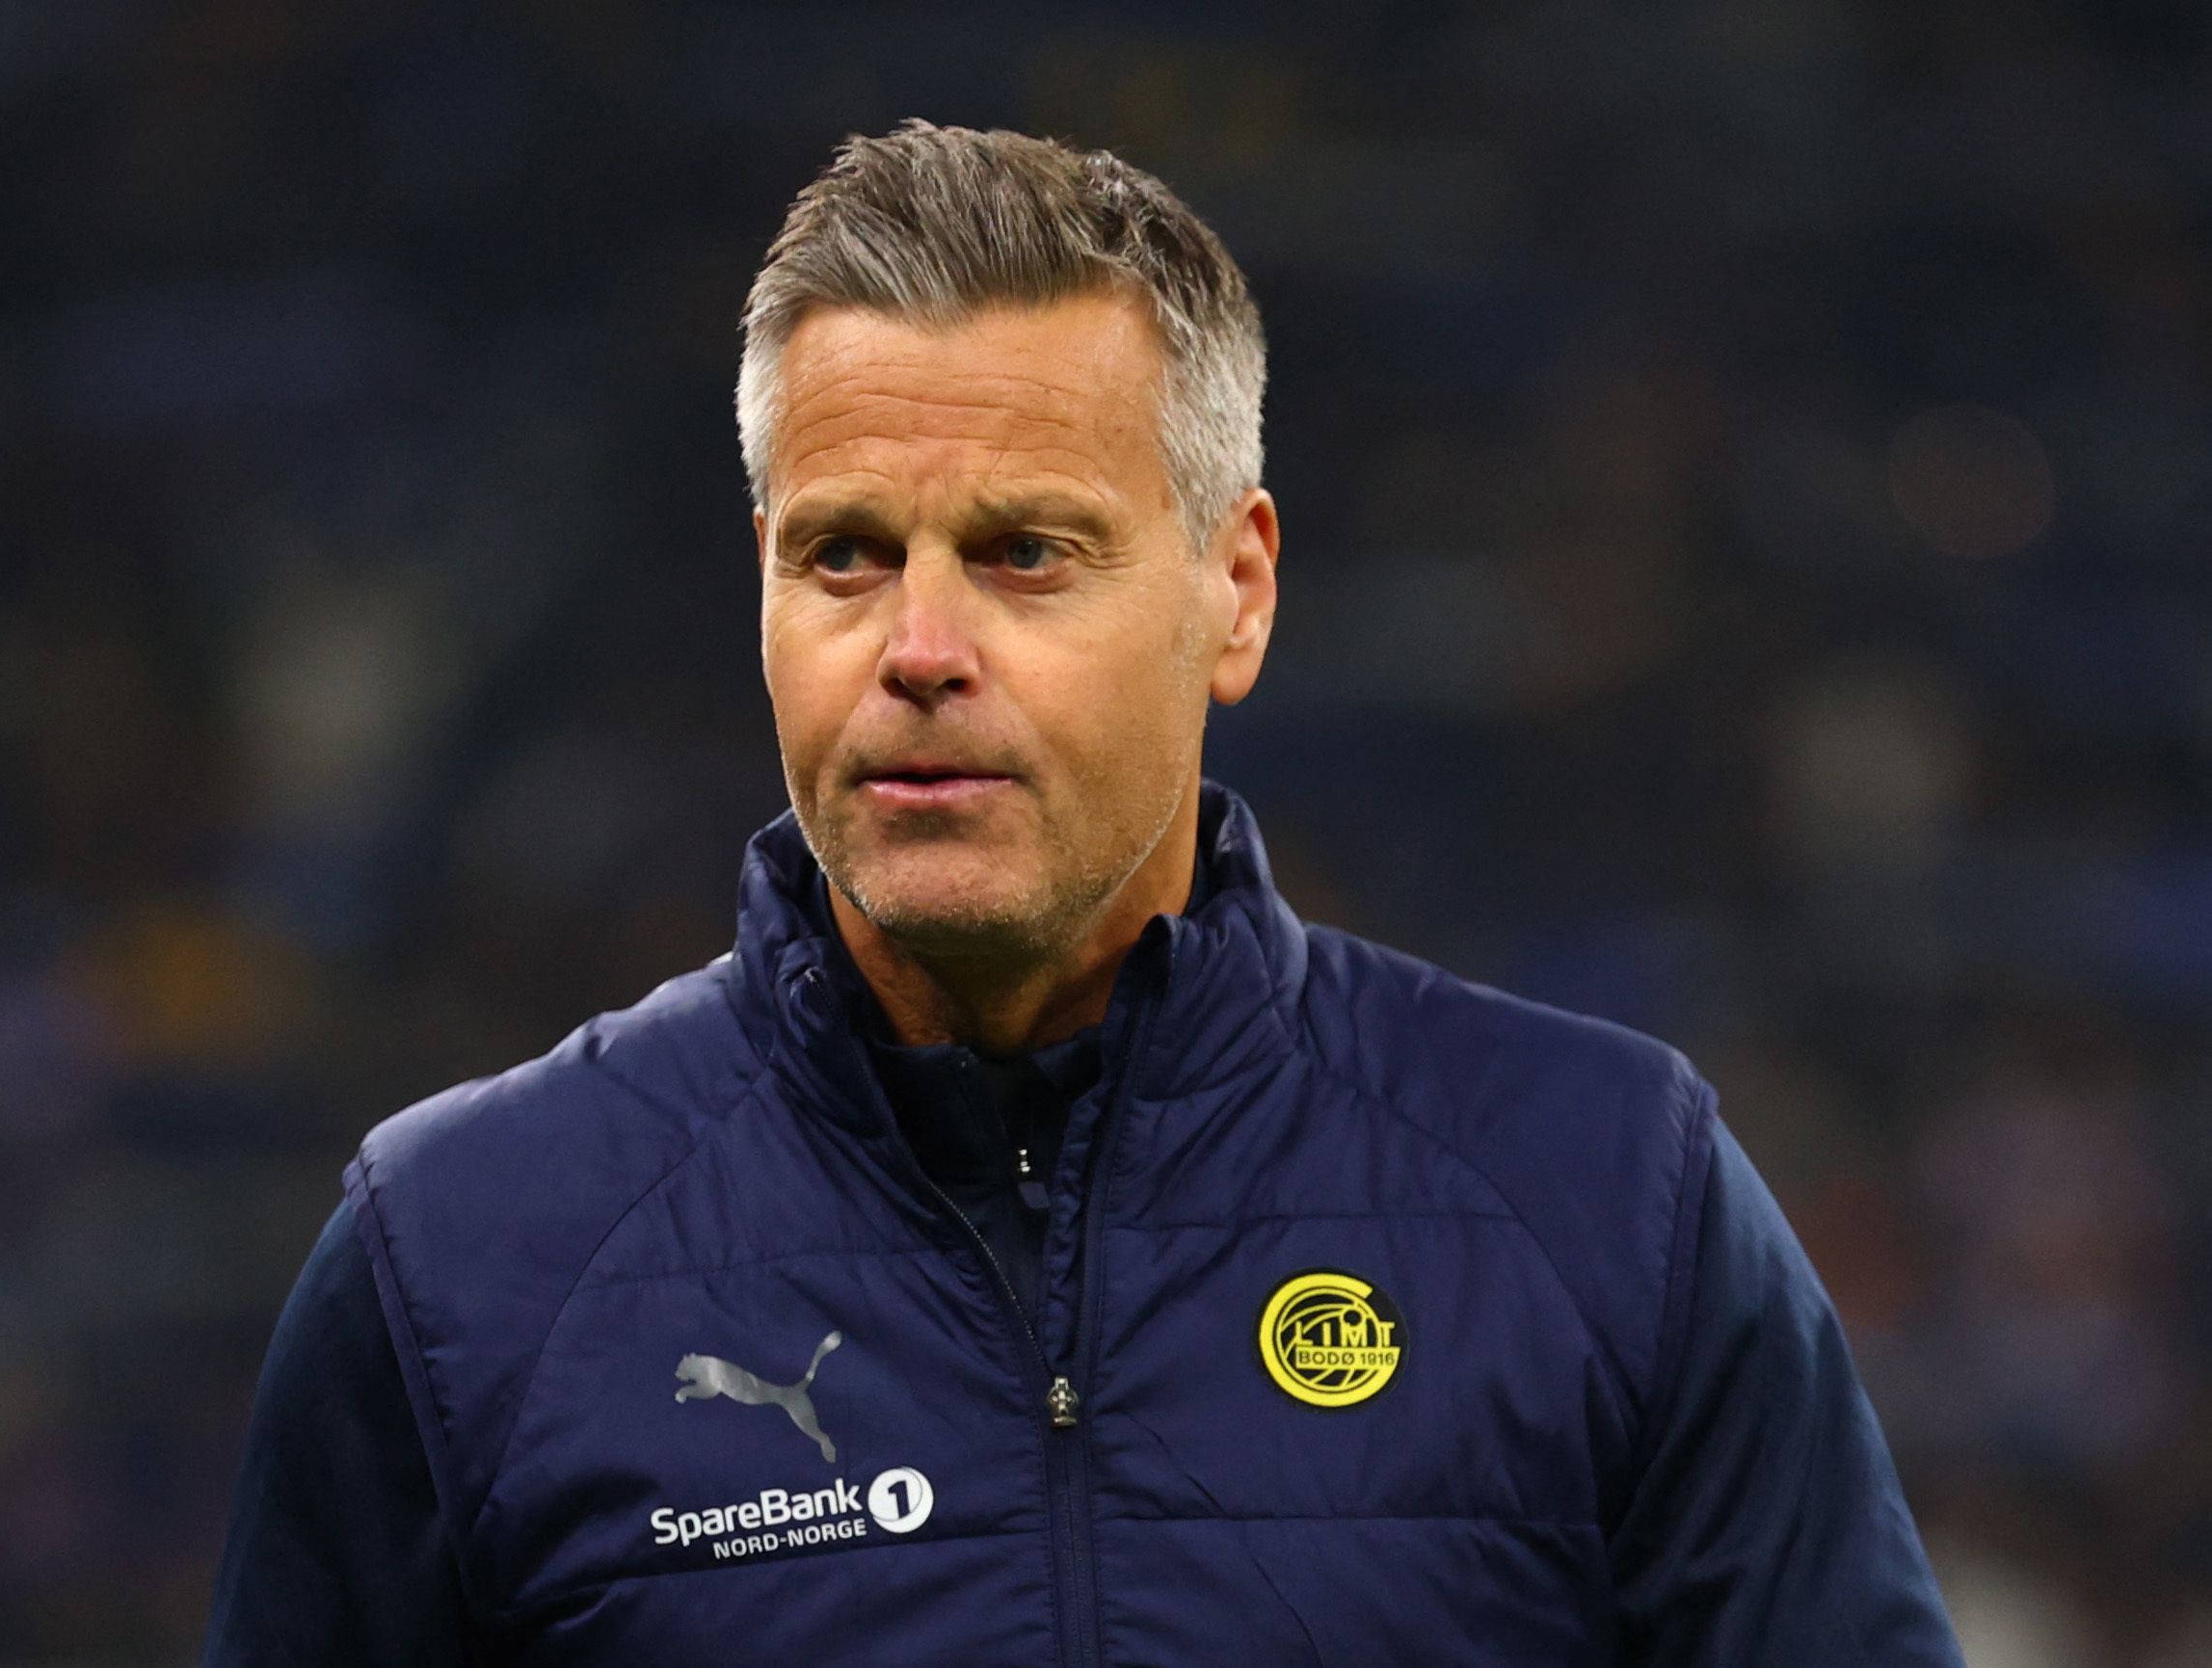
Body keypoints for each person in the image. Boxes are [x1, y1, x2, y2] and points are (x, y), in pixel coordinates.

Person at [203, 120, 1965, 1666]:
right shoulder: (458, 1259)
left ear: (1233, 593)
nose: (918, 649)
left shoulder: (1605, 1197)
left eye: (1024, 553)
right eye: (844, 555)